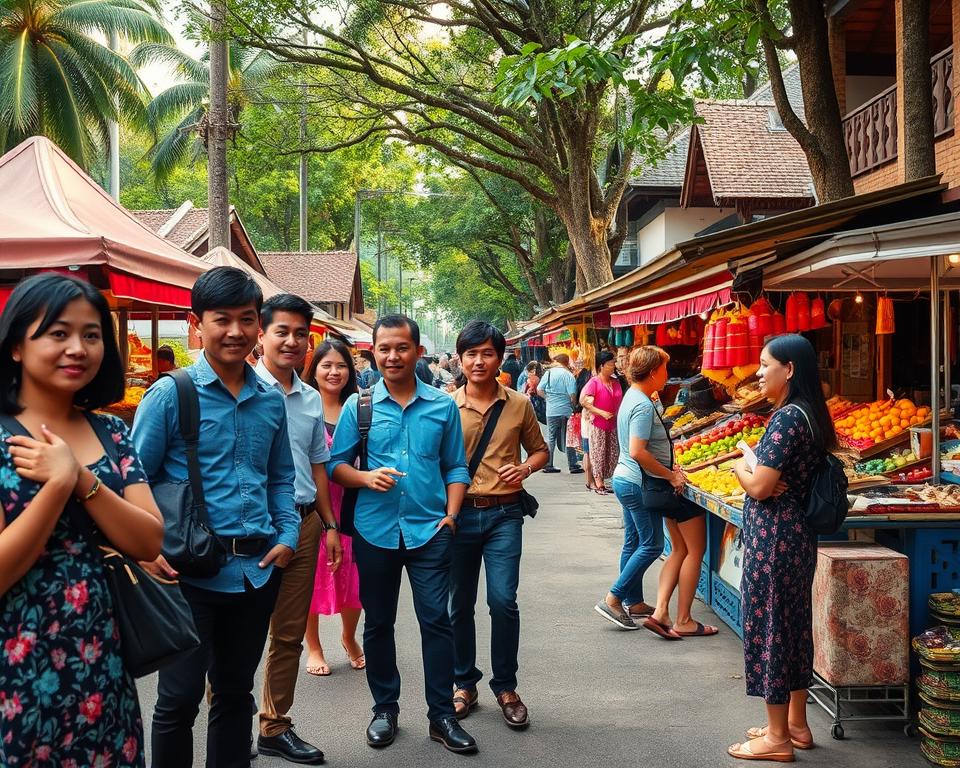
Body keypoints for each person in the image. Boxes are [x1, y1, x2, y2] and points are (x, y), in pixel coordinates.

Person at [134, 266, 299, 768]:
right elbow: (132, 479)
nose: (234, 331)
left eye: (246, 319)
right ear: (196, 325)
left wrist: (288, 534)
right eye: (220, 319)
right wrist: (145, 553)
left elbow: (281, 478)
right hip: (187, 573)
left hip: (255, 573)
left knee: (234, 695)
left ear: (257, 324)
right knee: (179, 699)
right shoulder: (170, 394)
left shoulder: (270, 399)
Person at [0, 274, 164, 766]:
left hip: (102, 660)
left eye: (91, 335)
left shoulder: (111, 430)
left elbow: (149, 538)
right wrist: (57, 484)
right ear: (15, 347)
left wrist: (81, 480)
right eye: (58, 333)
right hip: (16, 663)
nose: (78, 348)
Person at [328, 314, 477, 754]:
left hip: (430, 531)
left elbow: (455, 466)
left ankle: (442, 716)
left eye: (401, 348)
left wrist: (451, 515)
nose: (392, 356)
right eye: (384, 348)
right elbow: (336, 467)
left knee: (437, 622)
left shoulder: (442, 405)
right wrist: (366, 478)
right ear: (373, 352)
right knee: (379, 623)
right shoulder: (361, 406)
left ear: (418, 352)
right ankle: (384, 709)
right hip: (375, 532)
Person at [727, 334, 829, 762]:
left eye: (766, 364)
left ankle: (776, 738)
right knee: (791, 629)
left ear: (789, 370)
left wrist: (740, 468)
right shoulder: (810, 415)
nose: (758, 372)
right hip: (796, 538)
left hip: (774, 541)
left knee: (770, 631)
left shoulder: (787, 418)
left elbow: (762, 486)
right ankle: (796, 725)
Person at [255, 294, 342, 766]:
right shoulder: (242, 390)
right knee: (239, 634)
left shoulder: (309, 398)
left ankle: (274, 726)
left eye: (299, 333)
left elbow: (318, 466)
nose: (291, 341)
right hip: (252, 528)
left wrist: (329, 525)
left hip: (306, 522)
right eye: (281, 331)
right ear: (261, 335)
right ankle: (228, 722)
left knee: (288, 635)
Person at [449, 321, 549, 729]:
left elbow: (540, 451)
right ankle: (463, 683)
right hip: (459, 516)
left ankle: (506, 686)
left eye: (486, 353)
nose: (478, 361)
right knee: (459, 604)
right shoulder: (444, 406)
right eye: (471, 353)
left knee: (503, 601)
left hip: (505, 514)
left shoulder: (519, 405)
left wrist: (524, 468)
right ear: (460, 358)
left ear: (499, 358)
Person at [594, 346, 674, 630]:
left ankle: (635, 601)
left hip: (626, 479)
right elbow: (639, 451)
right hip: (637, 482)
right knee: (652, 544)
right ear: (653, 372)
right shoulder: (640, 403)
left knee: (633, 542)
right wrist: (671, 475)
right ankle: (614, 598)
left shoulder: (634, 396)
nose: (667, 373)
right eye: (664, 368)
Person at [303, 340, 364, 677]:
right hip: (312, 509)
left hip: (353, 507)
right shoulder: (302, 406)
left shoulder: (359, 408)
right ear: (314, 370)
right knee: (310, 578)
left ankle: (348, 637)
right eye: (326, 365)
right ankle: (313, 646)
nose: (334, 372)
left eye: (341, 365)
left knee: (354, 580)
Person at [580, 351, 623, 495]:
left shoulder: (616, 382)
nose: (613, 366)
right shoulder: (594, 382)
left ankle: (604, 481)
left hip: (613, 424)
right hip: (598, 423)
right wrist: (602, 413)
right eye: (610, 364)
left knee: (611, 453)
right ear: (601, 366)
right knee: (598, 452)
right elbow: (585, 403)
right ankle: (599, 484)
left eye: (613, 363)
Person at [536, 354, 582, 474]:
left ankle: (549, 464)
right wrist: (573, 406)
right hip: (566, 411)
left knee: (551, 437)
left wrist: (548, 398)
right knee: (568, 437)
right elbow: (572, 395)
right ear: (566, 362)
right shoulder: (568, 375)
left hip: (551, 411)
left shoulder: (549, 373)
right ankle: (573, 465)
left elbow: (539, 390)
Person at [574, 360, 595, 489]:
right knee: (589, 452)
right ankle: (590, 480)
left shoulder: (583, 377)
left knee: (587, 451)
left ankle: (589, 480)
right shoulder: (592, 384)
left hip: (585, 418)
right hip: (590, 420)